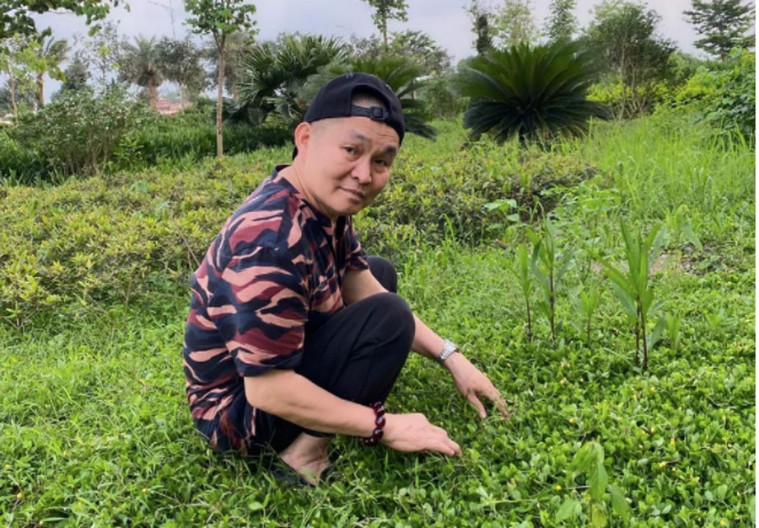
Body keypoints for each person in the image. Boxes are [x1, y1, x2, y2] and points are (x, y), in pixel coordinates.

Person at [183, 72, 508, 486]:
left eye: (381, 161)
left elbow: (363, 285)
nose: (364, 174)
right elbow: (267, 391)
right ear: (305, 139)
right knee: (388, 315)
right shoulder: (269, 240)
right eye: (351, 150)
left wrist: (453, 359)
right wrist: (384, 425)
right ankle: (302, 455)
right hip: (237, 418)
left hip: (269, 377)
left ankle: (328, 414)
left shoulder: (320, 205)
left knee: (380, 275)